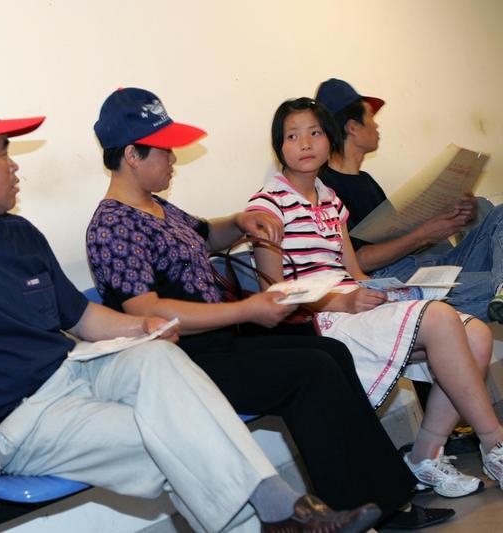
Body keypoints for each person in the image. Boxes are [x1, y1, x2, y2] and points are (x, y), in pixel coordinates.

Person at [0, 92, 380, 533]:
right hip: (17, 421)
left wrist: (145, 326)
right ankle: (284, 511)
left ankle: (282, 512)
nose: (15, 167)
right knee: (173, 437)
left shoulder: (18, 234)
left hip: (77, 371)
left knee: (160, 359)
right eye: (2, 152)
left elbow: (83, 321)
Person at [85, 87, 452, 529]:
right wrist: (246, 311)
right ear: (132, 154)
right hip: (182, 361)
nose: (173, 159)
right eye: (164, 149)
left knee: (331, 353)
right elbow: (149, 314)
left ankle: (386, 502)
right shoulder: (113, 225)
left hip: (220, 343)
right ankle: (353, 513)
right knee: (310, 371)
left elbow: (207, 235)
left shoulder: (156, 207)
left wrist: (241, 222)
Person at [248, 96, 503, 501]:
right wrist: (339, 302)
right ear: (279, 146)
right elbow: (273, 294)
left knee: (477, 335)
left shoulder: (331, 200)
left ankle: (424, 456)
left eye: (314, 132)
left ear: (329, 139)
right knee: (440, 318)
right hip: (322, 319)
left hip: (356, 304)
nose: (305, 143)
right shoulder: (267, 206)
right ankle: (495, 444)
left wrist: (392, 292)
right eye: (292, 136)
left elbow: (356, 273)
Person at [313, 78, 503, 323]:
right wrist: (425, 233)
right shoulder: (327, 187)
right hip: (395, 277)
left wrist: (450, 216)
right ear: (352, 127)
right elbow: (359, 260)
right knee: (489, 283)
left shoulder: (366, 180)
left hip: (429, 263)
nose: (376, 126)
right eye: (370, 117)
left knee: (498, 213)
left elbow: (396, 236)